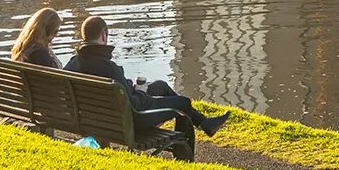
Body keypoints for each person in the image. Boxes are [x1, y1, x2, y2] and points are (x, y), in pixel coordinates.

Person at [65, 15, 230, 137]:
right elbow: (134, 104)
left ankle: (204, 123)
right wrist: (141, 92)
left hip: (97, 116)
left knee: (161, 85)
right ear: (103, 35)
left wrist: (133, 88)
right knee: (183, 104)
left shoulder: (74, 63)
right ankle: (184, 151)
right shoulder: (110, 68)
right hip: (131, 119)